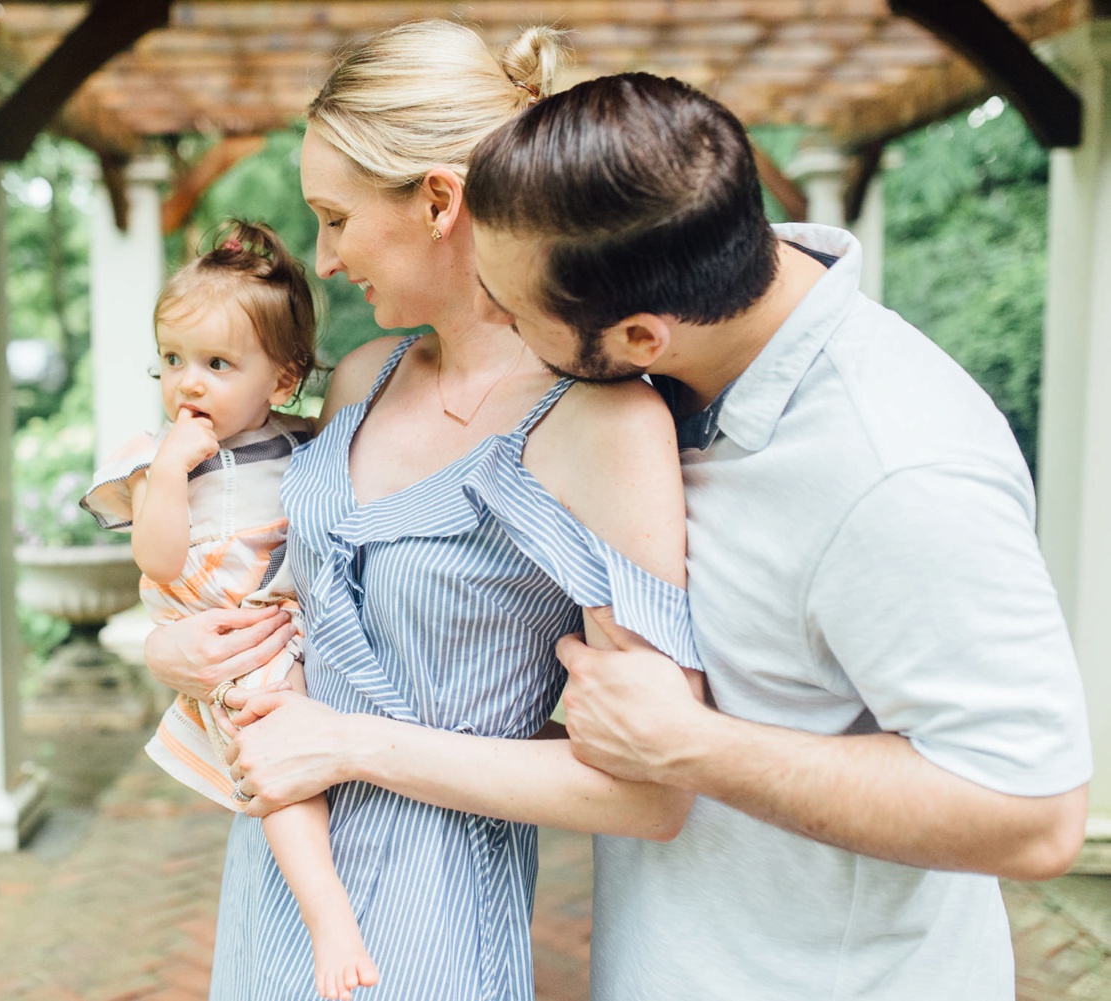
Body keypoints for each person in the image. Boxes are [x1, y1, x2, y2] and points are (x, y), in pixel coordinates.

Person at [455, 73, 1092, 999]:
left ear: (640, 337)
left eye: (510, 311)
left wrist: (690, 746)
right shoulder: (670, 359)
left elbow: (1032, 814)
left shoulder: (898, 471)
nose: (489, 321)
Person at [143, 21, 704, 1001]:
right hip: (273, 878)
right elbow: (243, 557)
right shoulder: (364, 375)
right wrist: (173, 649)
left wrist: (353, 743)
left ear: (439, 199)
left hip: (428, 924)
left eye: (336, 218)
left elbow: (652, 790)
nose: (320, 260)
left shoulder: (606, 424)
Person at [80, 221, 376, 1000]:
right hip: (229, 639)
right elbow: (158, 558)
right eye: (172, 360)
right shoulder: (157, 460)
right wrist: (171, 472)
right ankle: (328, 915)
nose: (188, 383)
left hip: (282, 622)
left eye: (216, 364)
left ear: (281, 381)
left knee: (302, 746)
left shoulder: (300, 440)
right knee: (275, 767)